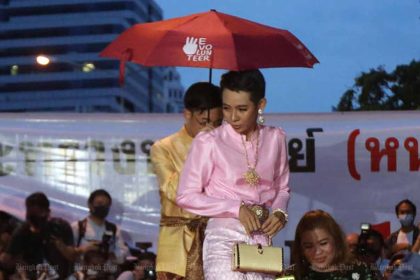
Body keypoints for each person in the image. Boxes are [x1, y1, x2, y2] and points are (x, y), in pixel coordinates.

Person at [176, 70, 290, 279]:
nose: (233, 117)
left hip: (261, 240)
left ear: (261, 105)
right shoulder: (209, 141)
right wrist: (235, 208)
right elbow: (186, 195)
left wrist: (281, 212)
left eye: (242, 109)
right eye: (226, 108)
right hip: (223, 238)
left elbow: (282, 188)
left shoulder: (276, 138)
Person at [150, 82, 223, 279]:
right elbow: (175, 192)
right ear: (187, 114)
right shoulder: (163, 148)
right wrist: (199, 150)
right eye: (204, 122)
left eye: (217, 123)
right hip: (177, 248)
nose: (211, 129)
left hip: (217, 242)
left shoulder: (224, 146)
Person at [0, 192, 75, 279]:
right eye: (32, 214)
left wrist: (60, 245)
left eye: (40, 213)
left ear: (47, 212)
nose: (36, 218)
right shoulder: (22, 231)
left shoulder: (60, 227)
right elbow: (7, 260)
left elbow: (72, 256)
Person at [289, 210, 375, 280]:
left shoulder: (359, 271)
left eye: (323, 243)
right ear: (300, 248)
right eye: (308, 246)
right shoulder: (292, 275)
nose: (317, 252)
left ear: (336, 240)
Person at [72, 189, 129, 267]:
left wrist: (109, 254)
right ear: (90, 205)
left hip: (106, 273)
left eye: (106, 205)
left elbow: (123, 254)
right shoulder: (77, 227)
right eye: (99, 204)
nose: (103, 207)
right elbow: (68, 253)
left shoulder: (114, 229)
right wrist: (83, 249)